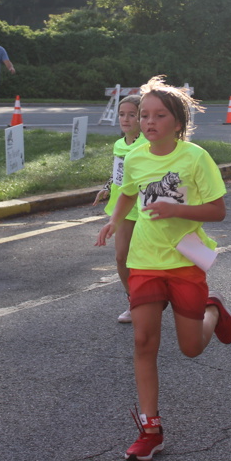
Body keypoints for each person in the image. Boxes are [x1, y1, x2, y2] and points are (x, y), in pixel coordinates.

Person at [95, 76, 231, 461]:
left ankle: (212, 310)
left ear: (178, 122)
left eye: (159, 115)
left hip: (185, 261)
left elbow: (218, 211)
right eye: (144, 115)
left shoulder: (195, 158)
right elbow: (127, 192)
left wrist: (177, 210)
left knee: (191, 348)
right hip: (144, 261)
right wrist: (114, 220)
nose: (149, 122)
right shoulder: (135, 157)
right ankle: (150, 429)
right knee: (143, 342)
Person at [92, 94, 147, 323]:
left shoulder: (148, 144)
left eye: (132, 115)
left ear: (142, 118)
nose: (125, 119)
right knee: (121, 257)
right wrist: (107, 187)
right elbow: (120, 173)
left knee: (147, 258)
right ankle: (133, 300)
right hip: (122, 208)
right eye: (122, 114)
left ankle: (161, 297)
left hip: (144, 207)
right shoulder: (119, 144)